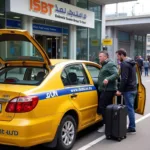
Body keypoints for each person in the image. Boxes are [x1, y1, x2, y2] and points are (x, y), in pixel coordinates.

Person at [116, 48, 137, 134]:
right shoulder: (131, 62)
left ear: (121, 55)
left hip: (128, 89)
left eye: (118, 56)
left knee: (129, 108)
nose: (117, 58)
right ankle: (130, 125)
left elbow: (124, 79)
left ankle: (132, 127)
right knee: (130, 108)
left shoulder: (124, 64)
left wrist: (120, 90)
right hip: (133, 88)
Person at [97, 51, 118, 132]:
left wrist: (108, 79)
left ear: (105, 57)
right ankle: (109, 125)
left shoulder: (110, 64)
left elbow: (116, 74)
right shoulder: (104, 65)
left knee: (103, 107)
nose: (99, 58)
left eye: (100, 56)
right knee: (107, 108)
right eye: (99, 56)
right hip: (105, 89)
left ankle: (105, 125)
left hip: (108, 90)